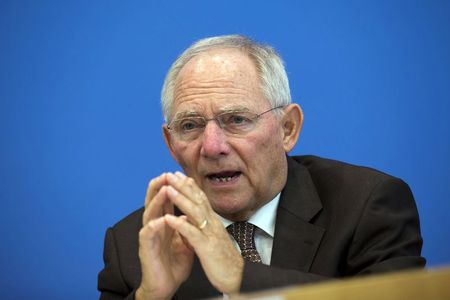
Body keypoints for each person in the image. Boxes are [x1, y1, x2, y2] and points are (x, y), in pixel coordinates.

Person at [98, 35, 425, 299]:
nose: (212, 147)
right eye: (190, 125)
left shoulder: (365, 208)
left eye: (237, 120)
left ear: (288, 129)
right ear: (171, 145)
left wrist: (242, 276)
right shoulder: (134, 245)